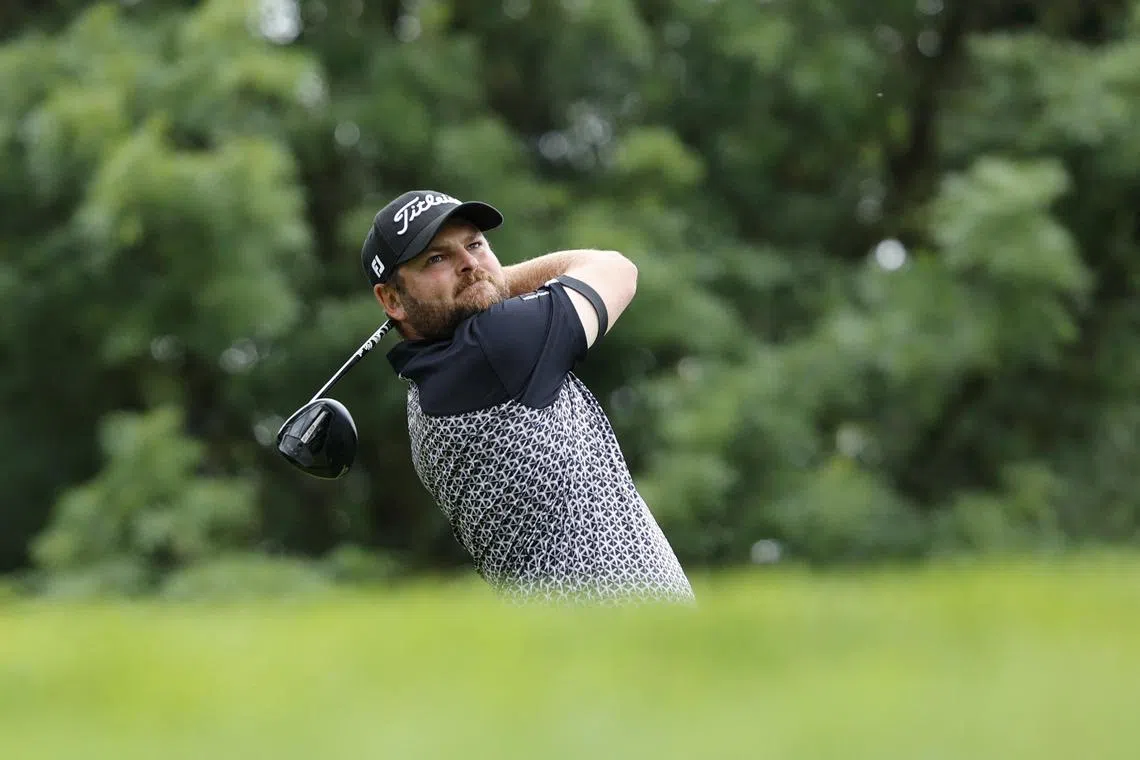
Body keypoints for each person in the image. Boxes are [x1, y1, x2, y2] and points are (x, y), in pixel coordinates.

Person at [360, 189, 695, 606]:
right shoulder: (494, 347)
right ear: (391, 299)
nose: (468, 263)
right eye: (437, 259)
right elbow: (615, 269)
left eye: (475, 244)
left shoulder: (430, 383)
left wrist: (476, 283)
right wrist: (488, 282)